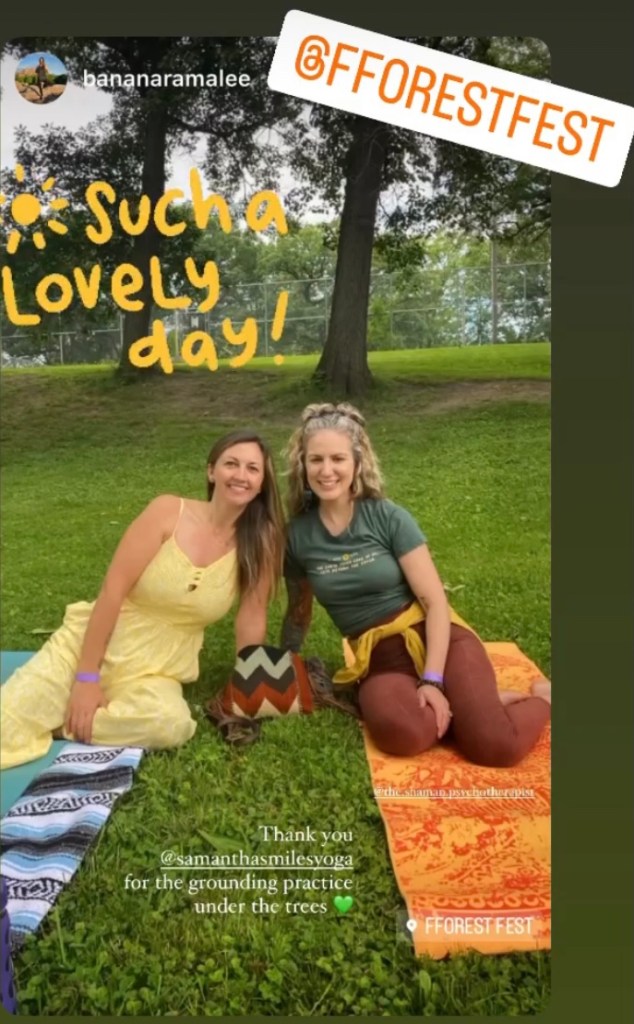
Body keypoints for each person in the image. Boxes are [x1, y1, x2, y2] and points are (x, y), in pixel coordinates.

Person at [281, 403, 551, 766]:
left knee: (494, 745)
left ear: (357, 463)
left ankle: (542, 699)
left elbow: (435, 602)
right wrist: (285, 662)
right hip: (381, 661)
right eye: (316, 459)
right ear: (303, 464)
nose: (326, 470)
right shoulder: (297, 536)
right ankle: (471, 708)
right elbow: (298, 610)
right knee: (404, 733)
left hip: (439, 640)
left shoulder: (388, 517)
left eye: (338, 459)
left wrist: (433, 681)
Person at [1, 430, 285, 770]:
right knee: (5, 726)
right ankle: (65, 705)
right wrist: (86, 678)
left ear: (262, 482)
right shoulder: (168, 512)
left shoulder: (262, 541)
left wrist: (247, 686)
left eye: (253, 468)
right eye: (231, 464)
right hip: (94, 646)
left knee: (170, 724)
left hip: (158, 668)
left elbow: (252, 615)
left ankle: (64, 724)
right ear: (211, 471)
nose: (241, 475)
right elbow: (112, 591)